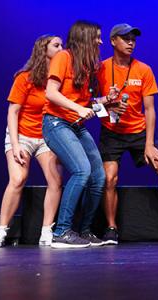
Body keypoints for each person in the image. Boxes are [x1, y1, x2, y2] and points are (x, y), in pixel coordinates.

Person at [97, 23, 158, 245]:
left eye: (133, 39)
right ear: (113, 41)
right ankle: (111, 228)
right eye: (125, 38)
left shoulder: (143, 69)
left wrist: (149, 144)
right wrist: (107, 108)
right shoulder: (100, 69)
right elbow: (88, 103)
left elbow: (149, 110)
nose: (131, 42)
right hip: (111, 133)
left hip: (139, 132)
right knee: (109, 178)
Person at [42, 20, 117, 249]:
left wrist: (106, 100)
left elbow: (83, 102)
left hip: (75, 125)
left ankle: (84, 231)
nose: (101, 41)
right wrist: (78, 109)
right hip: (56, 123)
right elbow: (51, 93)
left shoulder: (86, 66)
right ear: (84, 38)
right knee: (81, 170)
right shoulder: (63, 57)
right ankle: (61, 231)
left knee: (98, 177)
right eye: (97, 37)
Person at [0, 35, 63, 248]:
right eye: (56, 45)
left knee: (55, 180)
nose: (61, 48)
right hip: (20, 135)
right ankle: (1, 231)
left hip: (46, 137)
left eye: (62, 45)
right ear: (43, 49)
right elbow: (13, 112)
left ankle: (46, 231)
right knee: (18, 178)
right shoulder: (25, 77)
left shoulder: (59, 80)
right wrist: (16, 144)